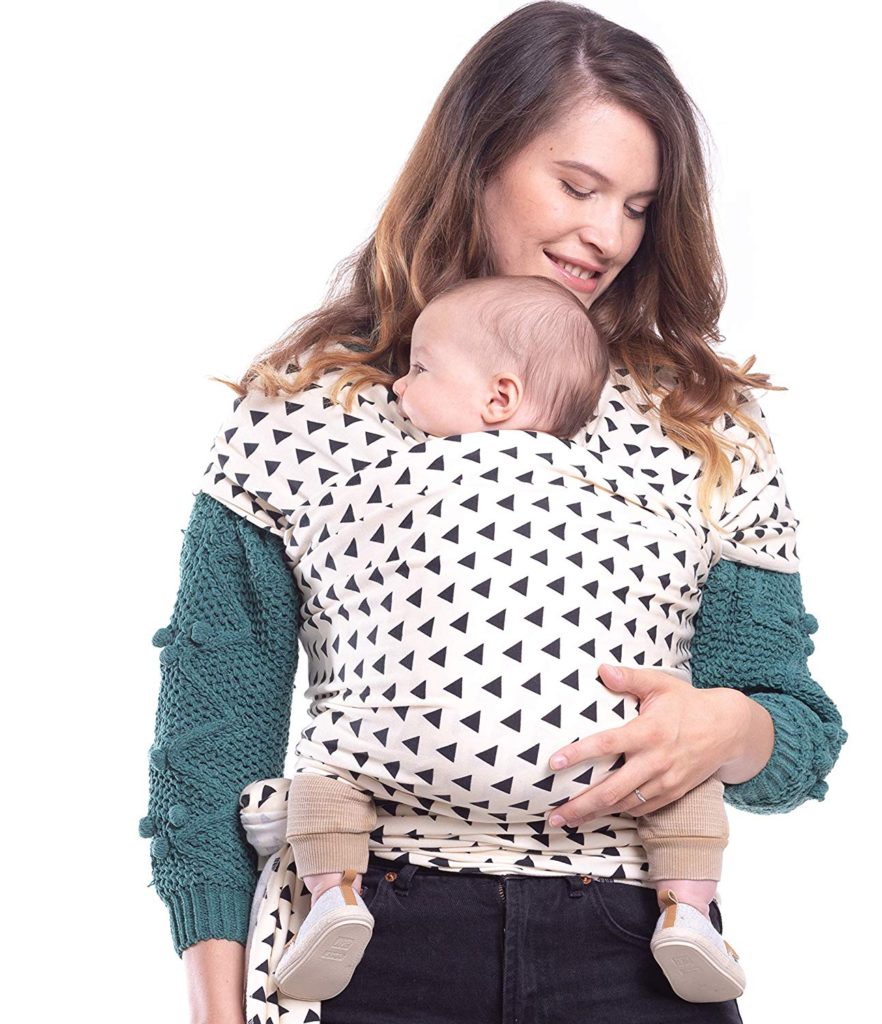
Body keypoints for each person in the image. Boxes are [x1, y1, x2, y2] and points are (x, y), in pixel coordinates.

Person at [140, 4, 848, 1022]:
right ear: (477, 159)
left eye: (639, 206)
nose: (607, 234)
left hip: (636, 951)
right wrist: (216, 1010)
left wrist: (727, 727)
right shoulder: (303, 410)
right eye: (578, 185)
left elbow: (794, 734)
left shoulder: (704, 425)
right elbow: (212, 744)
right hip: (367, 941)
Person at [272, 274, 744, 1005]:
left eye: (421, 370)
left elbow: (324, 549)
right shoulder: (627, 488)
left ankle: (334, 895)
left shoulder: (397, 470)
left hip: (404, 755)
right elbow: (671, 580)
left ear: (497, 399)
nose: (399, 388)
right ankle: (687, 910)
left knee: (323, 780)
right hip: (593, 762)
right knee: (682, 785)